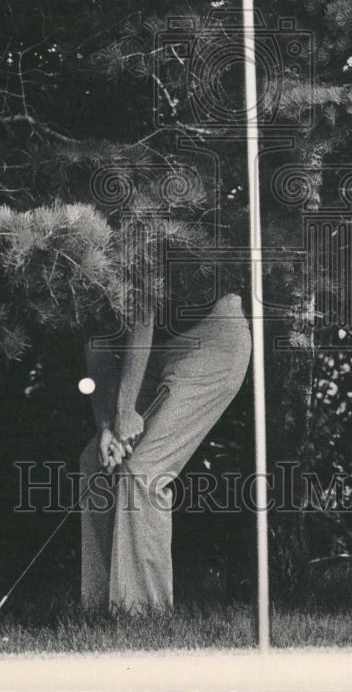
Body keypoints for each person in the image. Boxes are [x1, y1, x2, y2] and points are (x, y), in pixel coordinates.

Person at [79, 261, 251, 613]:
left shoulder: (130, 235)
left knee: (143, 469)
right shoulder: (72, 266)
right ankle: (98, 610)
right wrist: (106, 427)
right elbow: (97, 348)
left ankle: (143, 616)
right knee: (95, 462)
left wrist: (126, 411)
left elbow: (142, 314)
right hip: (157, 352)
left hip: (213, 340)